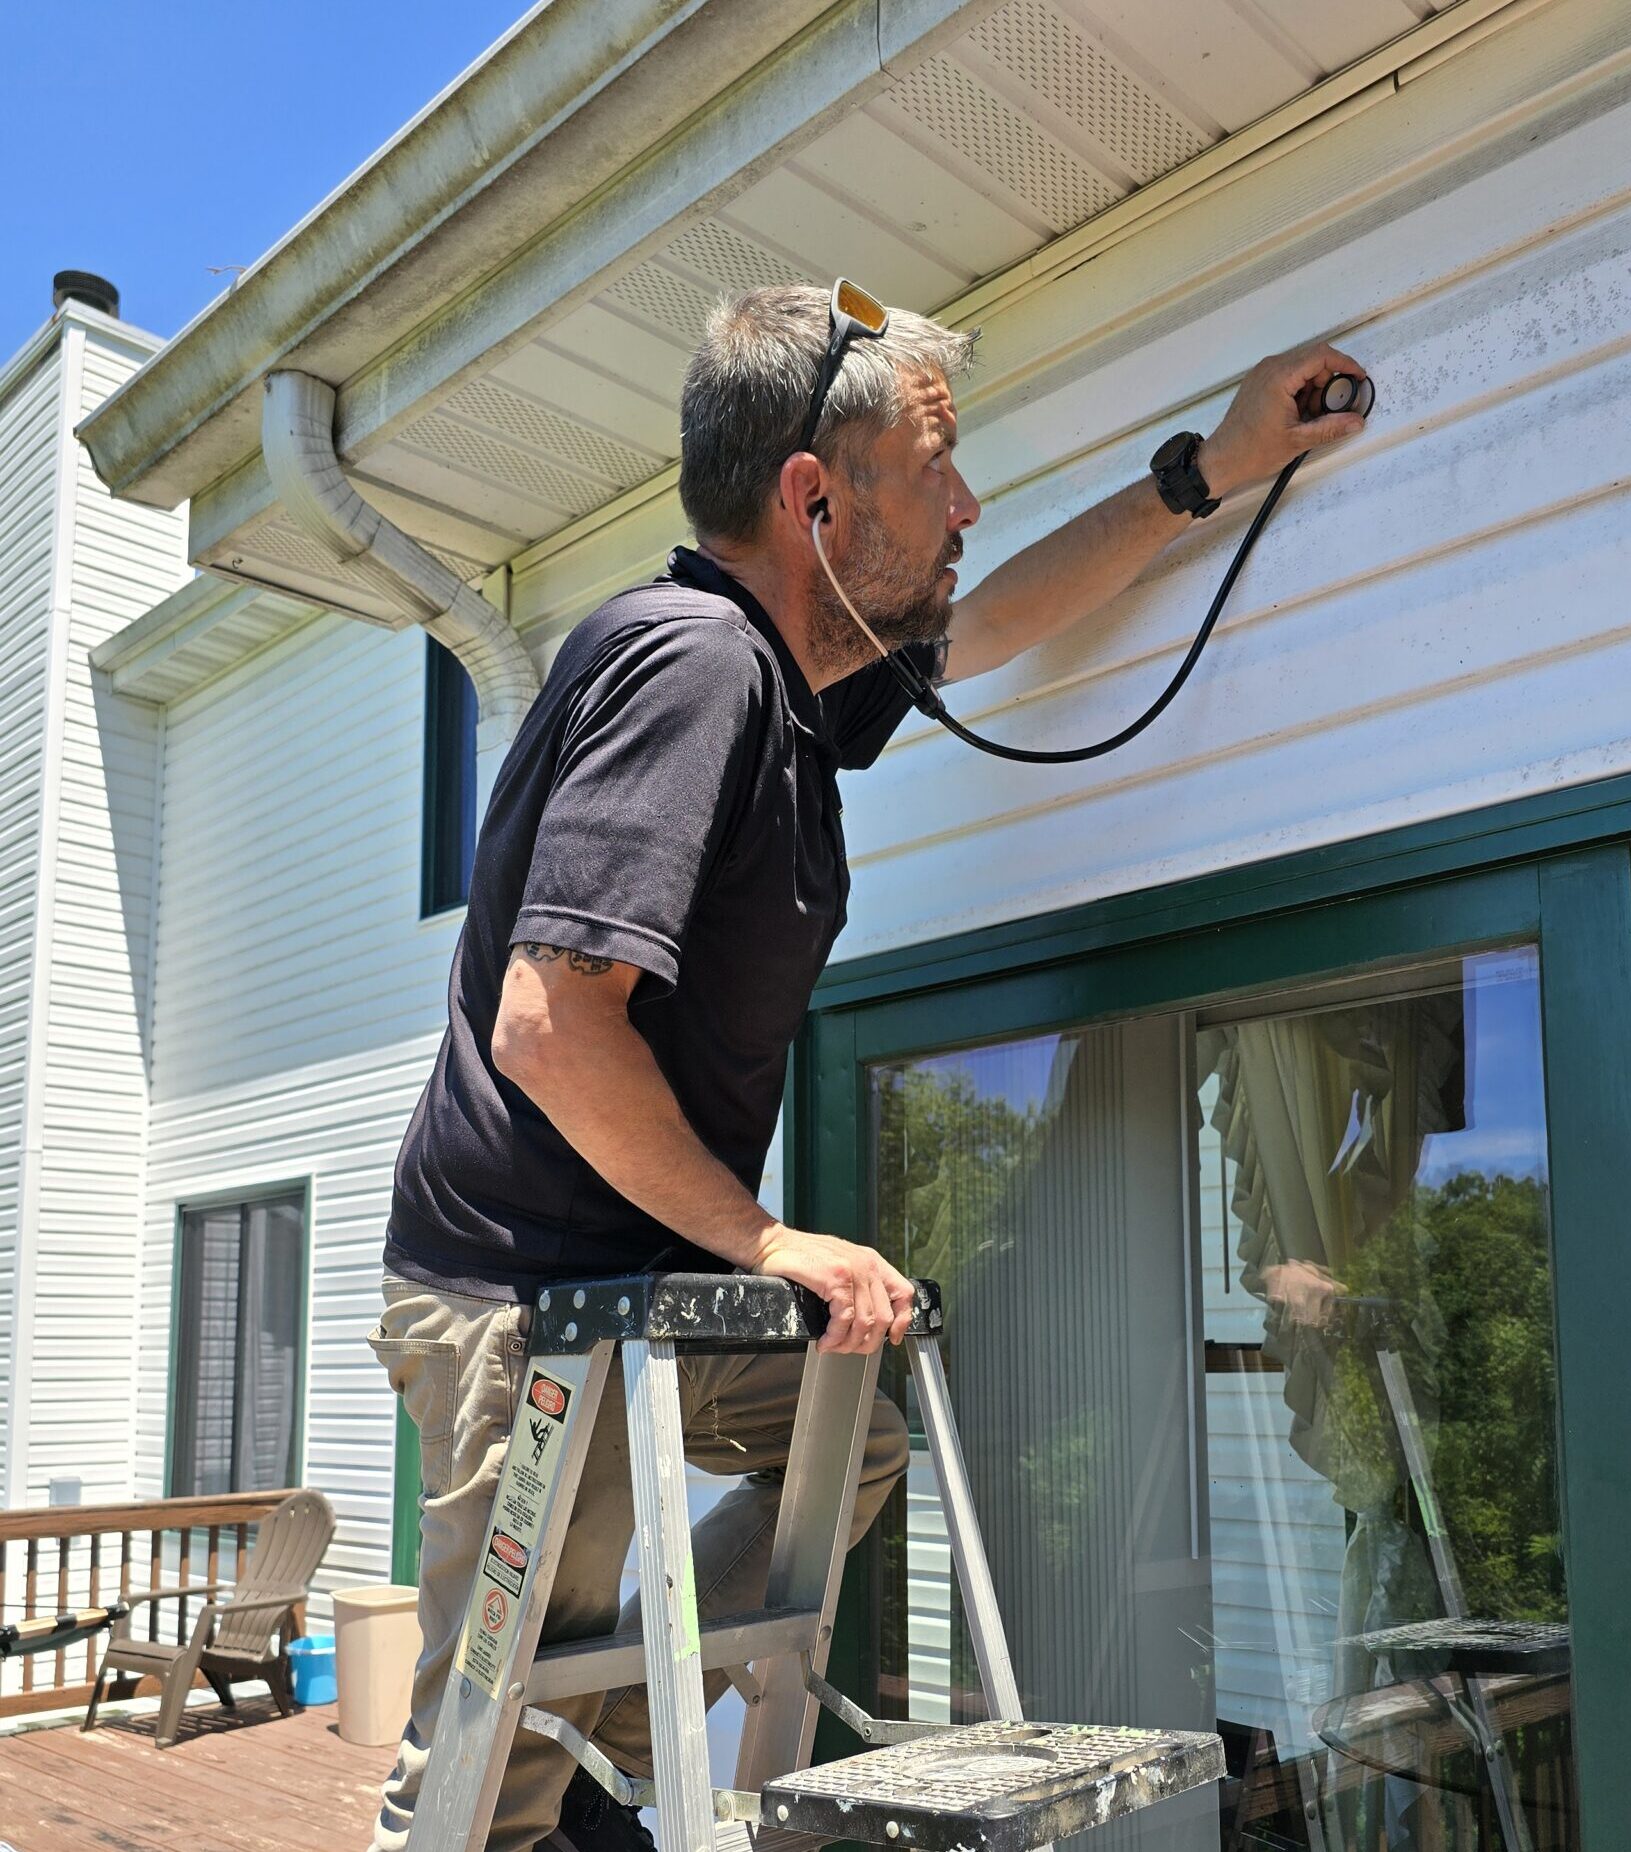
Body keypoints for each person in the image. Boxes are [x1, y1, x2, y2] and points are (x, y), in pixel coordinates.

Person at [366, 280, 1371, 1852]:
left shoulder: (786, 690)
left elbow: (996, 616)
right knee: (483, 1789)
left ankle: (587, 1760)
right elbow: (551, 1025)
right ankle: (548, 1785)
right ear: (815, 500)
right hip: (532, 1306)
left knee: (855, 1439)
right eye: (936, 472)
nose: (966, 503)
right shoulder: (692, 664)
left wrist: (1210, 472)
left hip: (642, 1280)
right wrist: (770, 1240)